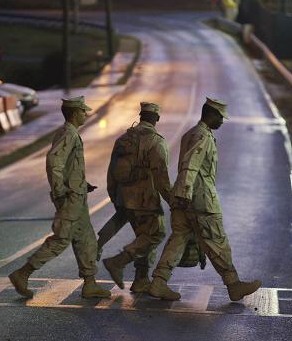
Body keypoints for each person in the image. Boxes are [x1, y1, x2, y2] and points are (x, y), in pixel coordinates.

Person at [148, 98, 261, 302]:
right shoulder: (203, 136)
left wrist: (180, 197)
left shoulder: (190, 133)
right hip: (200, 200)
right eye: (220, 117)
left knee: (178, 239)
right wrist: (184, 194)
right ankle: (234, 286)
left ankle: (158, 282)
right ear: (210, 114)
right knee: (217, 241)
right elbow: (191, 165)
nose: (222, 122)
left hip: (185, 197)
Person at [8, 96, 110, 299]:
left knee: (86, 238)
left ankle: (90, 283)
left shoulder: (70, 133)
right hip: (69, 198)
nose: (85, 114)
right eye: (83, 111)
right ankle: (23, 274)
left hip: (76, 195)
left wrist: (81, 184)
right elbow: (54, 161)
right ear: (74, 113)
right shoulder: (68, 134)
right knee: (62, 239)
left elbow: (68, 166)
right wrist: (60, 191)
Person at [103, 102, 172, 293]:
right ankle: (118, 262)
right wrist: (173, 200)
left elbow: (111, 174)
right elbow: (161, 178)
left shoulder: (123, 139)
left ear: (141, 116)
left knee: (142, 238)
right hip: (145, 201)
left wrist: (116, 199)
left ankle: (141, 280)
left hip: (124, 199)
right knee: (154, 235)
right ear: (156, 119)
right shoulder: (156, 141)